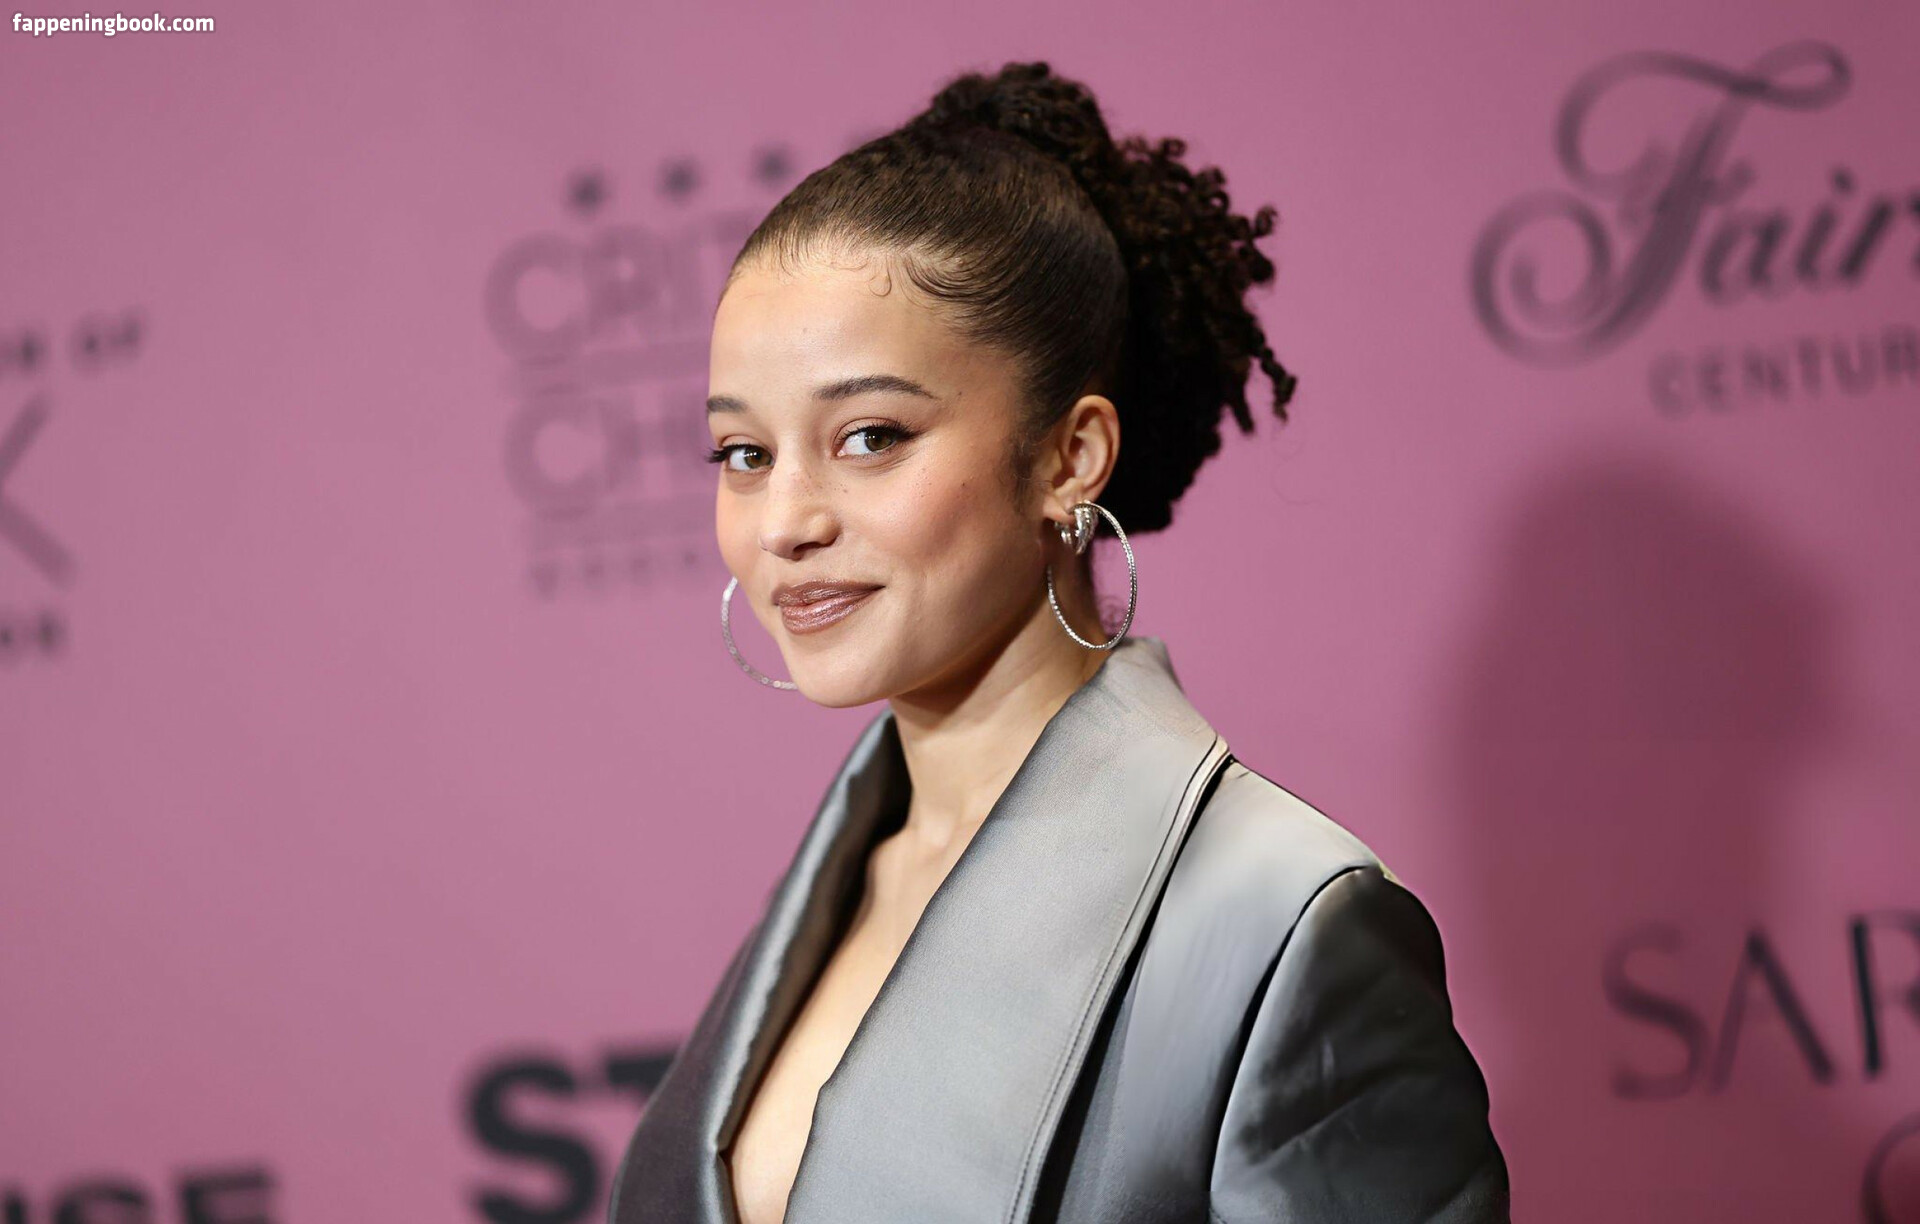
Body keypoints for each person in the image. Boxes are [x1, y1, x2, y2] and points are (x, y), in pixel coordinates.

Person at [609, 60, 1510, 1224]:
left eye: (871, 437)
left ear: (1069, 458)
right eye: (745, 455)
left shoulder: (1281, 925)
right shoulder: (832, 894)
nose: (784, 523)